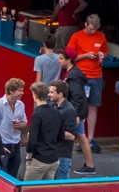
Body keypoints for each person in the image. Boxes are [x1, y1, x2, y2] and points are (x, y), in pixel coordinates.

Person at [67, 14, 107, 150]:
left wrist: (102, 55)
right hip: (82, 76)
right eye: (90, 29)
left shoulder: (101, 36)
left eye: (95, 29)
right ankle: (81, 137)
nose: (93, 32)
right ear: (85, 25)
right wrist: (85, 55)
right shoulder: (76, 36)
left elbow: (106, 52)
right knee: (81, 106)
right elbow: (69, 56)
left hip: (96, 76)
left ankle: (90, 138)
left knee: (93, 107)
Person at [59, 49, 96, 173]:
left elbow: (77, 96)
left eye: (61, 58)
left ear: (68, 59)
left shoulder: (73, 75)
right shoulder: (72, 73)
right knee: (81, 135)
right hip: (78, 111)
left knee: (70, 135)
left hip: (76, 112)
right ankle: (90, 165)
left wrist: (75, 115)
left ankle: (64, 165)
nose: (59, 61)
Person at [23, 82, 63, 181]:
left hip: (39, 160)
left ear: (35, 95)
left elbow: (32, 140)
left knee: (28, 188)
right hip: (54, 159)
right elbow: (61, 136)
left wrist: (28, 156)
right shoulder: (57, 113)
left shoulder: (36, 115)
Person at [0, 78, 28, 177]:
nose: (22, 93)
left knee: (13, 178)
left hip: (16, 146)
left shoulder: (21, 105)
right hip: (3, 146)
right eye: (20, 90)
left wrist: (21, 125)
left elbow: (25, 122)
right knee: (2, 177)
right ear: (11, 91)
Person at [47, 79, 80, 180]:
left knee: (62, 185)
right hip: (52, 153)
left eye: (52, 92)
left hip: (62, 156)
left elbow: (71, 135)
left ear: (60, 94)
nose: (49, 94)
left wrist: (51, 132)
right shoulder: (53, 106)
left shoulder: (69, 110)